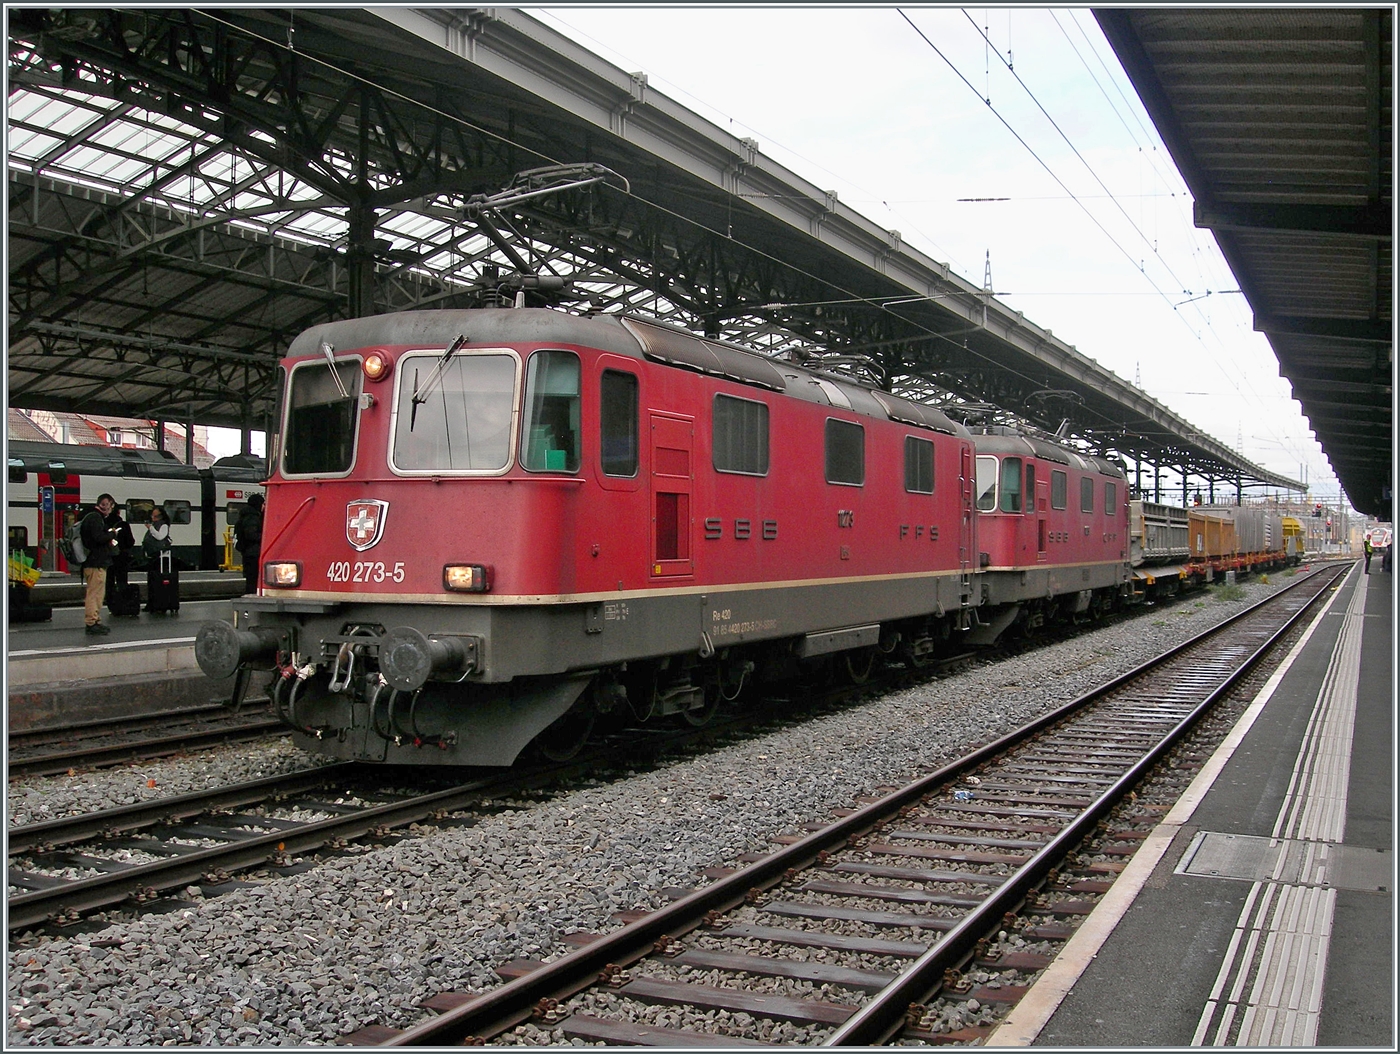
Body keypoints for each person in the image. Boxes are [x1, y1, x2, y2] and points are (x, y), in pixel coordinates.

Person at [80, 493, 118, 636]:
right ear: (106, 504)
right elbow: (98, 538)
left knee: (97, 593)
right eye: (110, 506)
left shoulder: (92, 517)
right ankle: (91, 622)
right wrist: (112, 534)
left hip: (94, 562)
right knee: (94, 593)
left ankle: (95, 620)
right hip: (95, 562)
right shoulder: (95, 518)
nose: (110, 509)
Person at [103, 500, 136, 606]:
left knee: (109, 581)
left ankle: (110, 603)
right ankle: (122, 603)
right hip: (121, 556)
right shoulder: (123, 525)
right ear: (118, 512)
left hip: (107, 557)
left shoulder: (103, 524)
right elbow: (131, 542)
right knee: (122, 580)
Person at [234, 493, 265, 594]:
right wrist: (265, 538)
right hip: (253, 553)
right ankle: (252, 594)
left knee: (250, 578)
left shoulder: (245, 515)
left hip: (247, 552)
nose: (264, 506)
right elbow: (251, 534)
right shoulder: (252, 518)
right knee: (253, 578)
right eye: (263, 504)